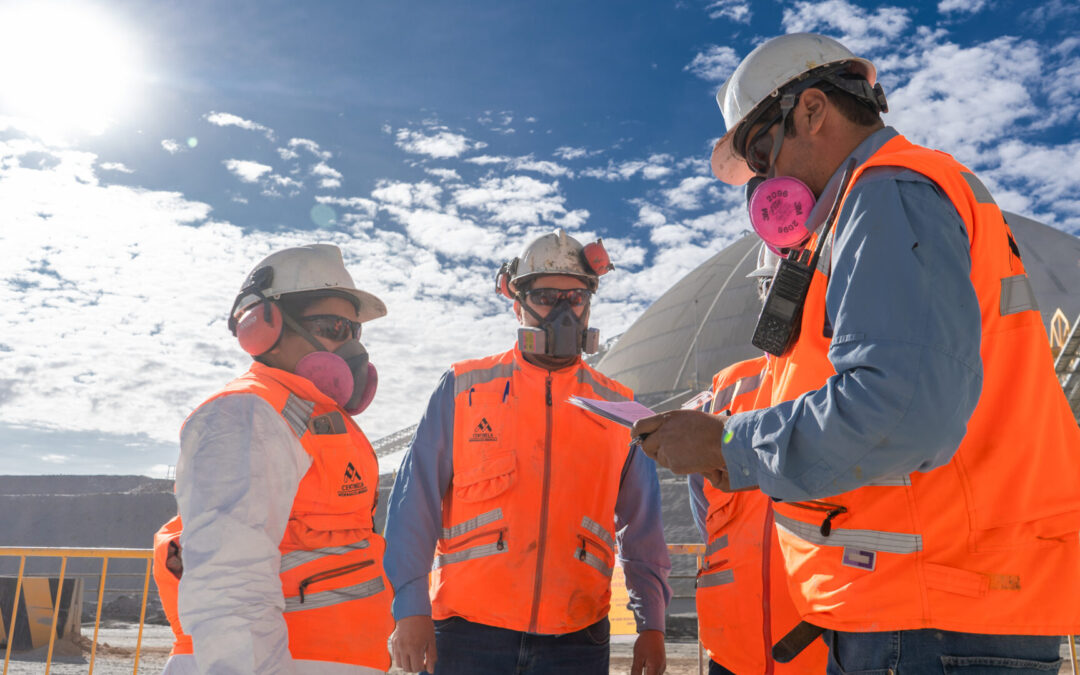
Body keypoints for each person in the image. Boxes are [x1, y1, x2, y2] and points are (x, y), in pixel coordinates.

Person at [635, 32, 1080, 672]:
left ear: (813, 110)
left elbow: (901, 409)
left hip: (933, 615)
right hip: (933, 606)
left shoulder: (886, 192)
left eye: (762, 148)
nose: (764, 180)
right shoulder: (885, 203)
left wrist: (725, 445)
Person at [383, 229, 671, 675]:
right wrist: (410, 606)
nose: (562, 309)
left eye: (574, 297)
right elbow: (413, 503)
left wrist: (651, 623)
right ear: (517, 304)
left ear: (590, 303)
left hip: (577, 636)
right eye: (545, 295)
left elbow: (643, 526)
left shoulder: (620, 409)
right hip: (467, 633)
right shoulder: (465, 389)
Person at [152, 244, 394, 674]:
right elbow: (227, 582)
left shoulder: (305, 415)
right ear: (264, 329)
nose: (352, 347)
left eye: (354, 332)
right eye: (334, 327)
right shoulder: (245, 413)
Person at [688, 245, 826, 674]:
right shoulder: (726, 390)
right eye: (774, 289)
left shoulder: (851, 389)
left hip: (826, 653)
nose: (783, 306)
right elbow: (704, 508)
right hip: (732, 652)